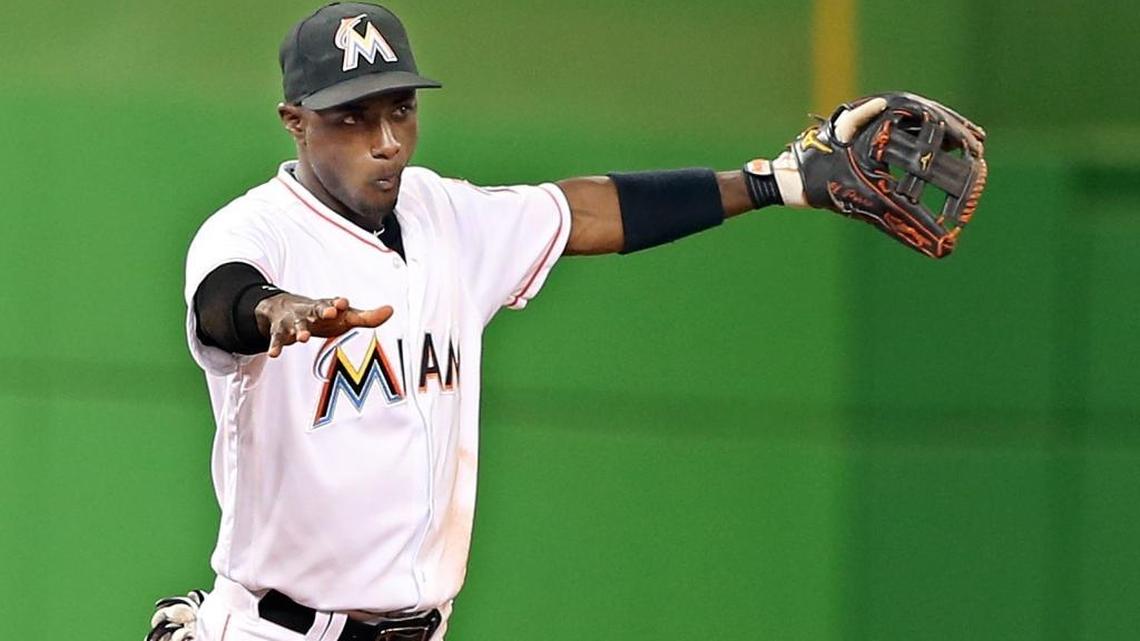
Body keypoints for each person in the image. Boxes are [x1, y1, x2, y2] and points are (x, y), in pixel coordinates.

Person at [151, 2, 985, 640]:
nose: (385, 141)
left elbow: (585, 210)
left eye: (398, 109)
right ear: (295, 121)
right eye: (349, 117)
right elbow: (221, 301)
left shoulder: (447, 217)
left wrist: (772, 182)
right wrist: (275, 310)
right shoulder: (253, 231)